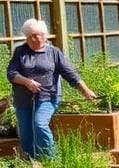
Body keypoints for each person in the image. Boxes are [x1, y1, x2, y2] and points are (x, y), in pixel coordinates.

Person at [7, 18, 97, 159]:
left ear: (44, 35)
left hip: (47, 97)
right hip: (23, 100)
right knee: (26, 134)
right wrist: (26, 82)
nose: (32, 39)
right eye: (29, 37)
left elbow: (69, 73)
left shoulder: (53, 52)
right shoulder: (20, 51)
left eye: (35, 35)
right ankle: (32, 163)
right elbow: (11, 73)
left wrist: (85, 90)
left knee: (39, 124)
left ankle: (53, 160)